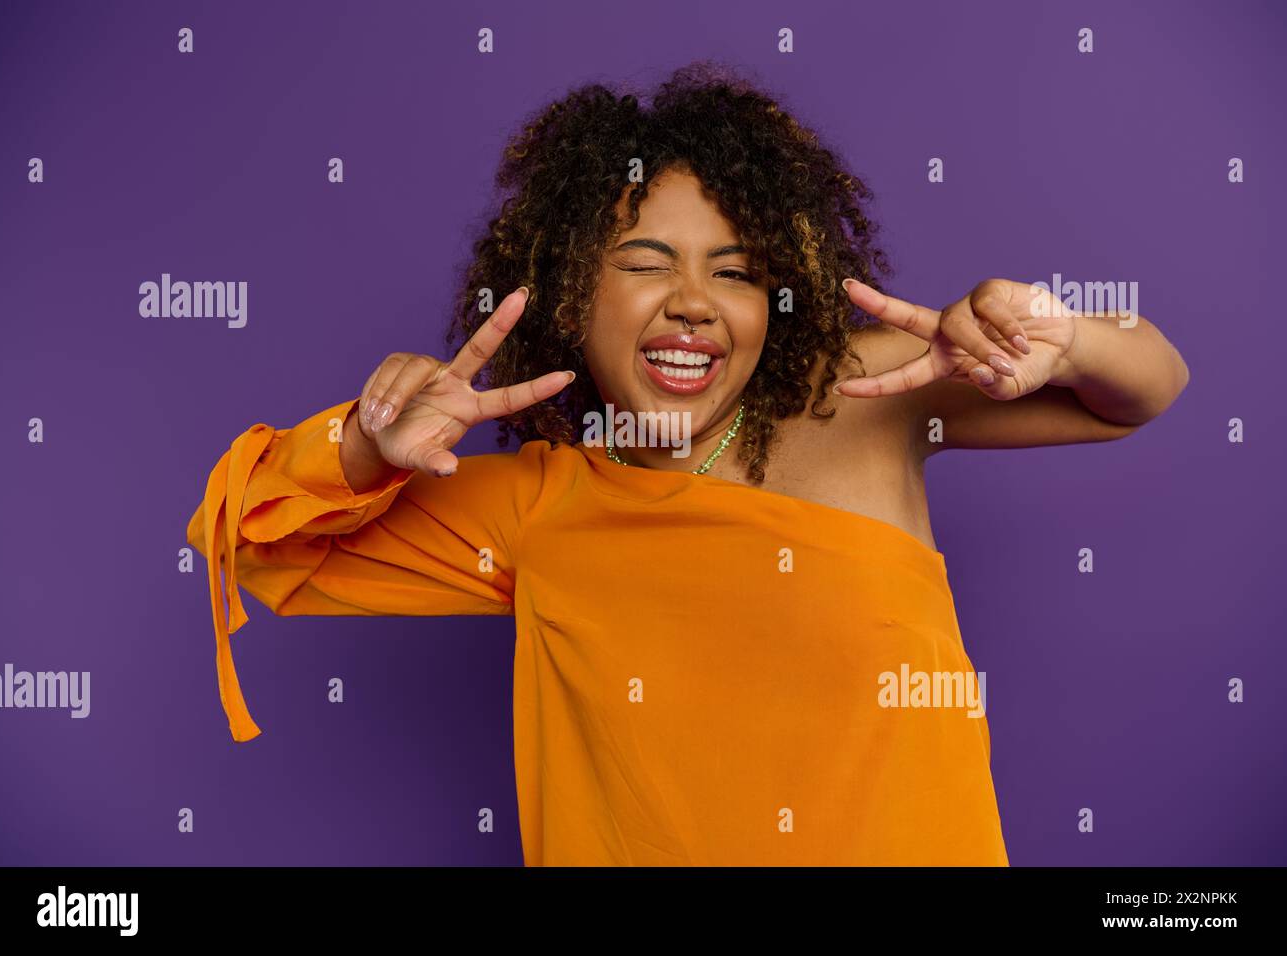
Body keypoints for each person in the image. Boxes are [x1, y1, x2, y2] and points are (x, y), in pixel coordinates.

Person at [185, 64, 1189, 866]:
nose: (694, 301)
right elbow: (253, 541)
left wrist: (1065, 338)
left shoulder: (868, 398)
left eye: (736, 271)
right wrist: (367, 446)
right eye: (646, 262)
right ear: (571, 295)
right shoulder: (540, 504)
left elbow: (1143, 387)